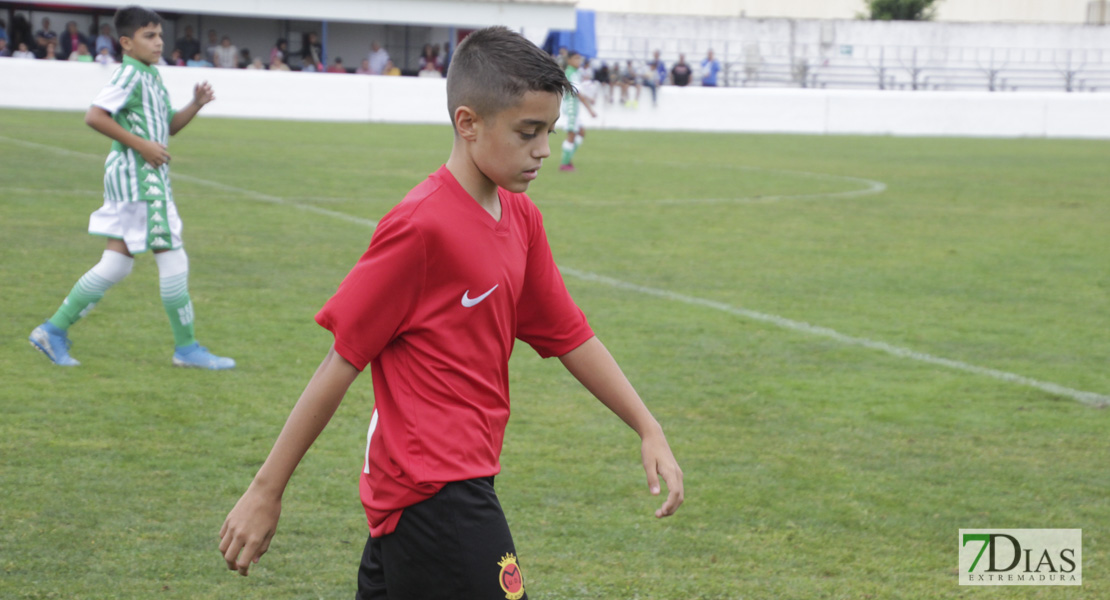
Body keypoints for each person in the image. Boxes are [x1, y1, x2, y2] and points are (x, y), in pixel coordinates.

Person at [218, 26, 683, 598]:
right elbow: (340, 364)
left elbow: (569, 335)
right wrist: (266, 489)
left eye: (550, 133)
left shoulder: (521, 217)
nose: (543, 149)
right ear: (468, 124)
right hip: (436, 487)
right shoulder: (420, 227)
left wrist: (646, 425)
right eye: (528, 132)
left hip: (431, 488)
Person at [29, 5, 235, 371]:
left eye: (159, 35)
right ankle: (186, 348)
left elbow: (169, 126)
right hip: (140, 180)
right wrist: (141, 145)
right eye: (149, 36)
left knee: (117, 264)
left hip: (139, 179)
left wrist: (196, 104)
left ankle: (52, 330)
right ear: (126, 42)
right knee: (172, 257)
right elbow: (95, 115)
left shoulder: (150, 76)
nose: (159, 42)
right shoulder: (130, 75)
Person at [559, 51, 598, 172]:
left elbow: (579, 90)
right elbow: (577, 93)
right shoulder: (571, 73)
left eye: (580, 59)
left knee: (581, 132)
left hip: (573, 107)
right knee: (571, 134)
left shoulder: (574, 72)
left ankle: (568, 159)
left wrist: (589, 98)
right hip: (571, 107)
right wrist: (590, 109)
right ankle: (565, 163)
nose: (579, 61)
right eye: (576, 58)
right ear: (569, 60)